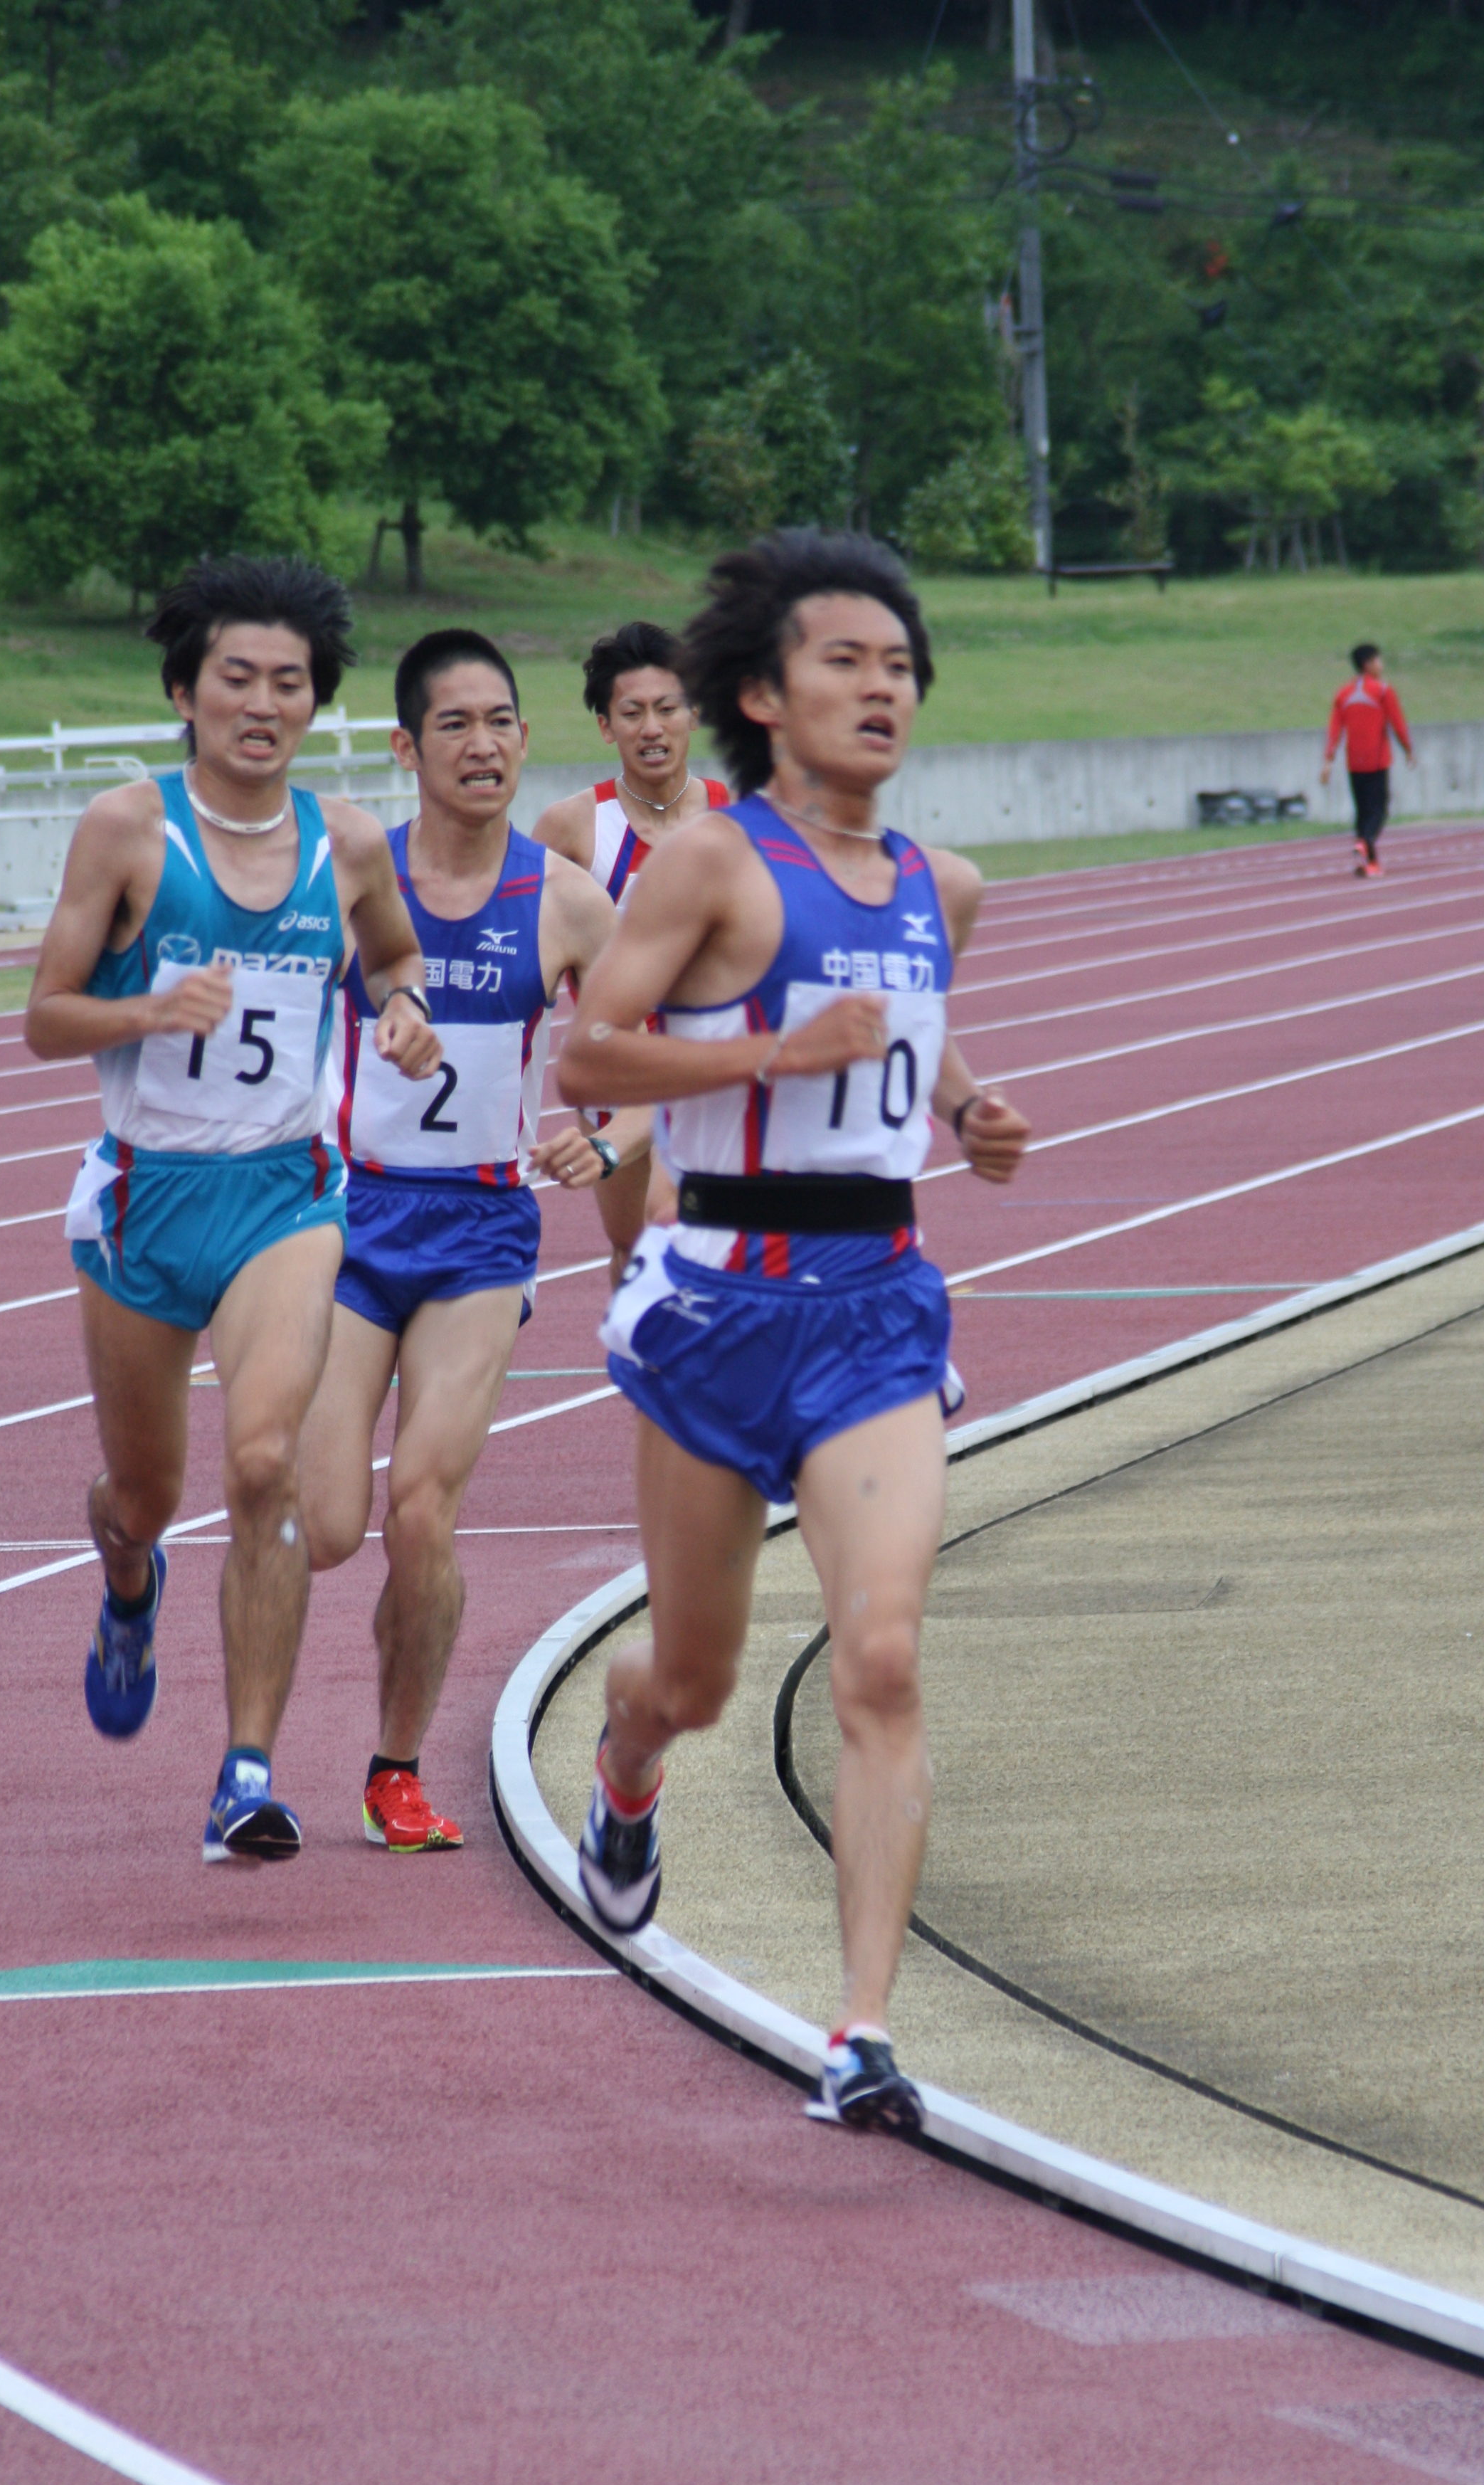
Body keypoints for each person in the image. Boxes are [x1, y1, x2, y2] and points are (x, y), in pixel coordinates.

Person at [557, 530, 1031, 2137]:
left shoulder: (938, 886)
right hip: (715, 1300)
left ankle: (862, 2033)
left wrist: (965, 1106)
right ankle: (624, 1776)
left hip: (877, 1305)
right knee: (690, 1679)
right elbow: (591, 1061)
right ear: (760, 694)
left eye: (900, 665)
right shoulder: (711, 862)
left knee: (881, 1657)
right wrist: (768, 1055)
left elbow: (903, 1026)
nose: (881, 686)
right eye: (846, 661)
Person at [26, 555, 441, 1864]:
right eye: (237, 679)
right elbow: (45, 1018)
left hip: (285, 1193)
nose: (264, 704)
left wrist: (404, 1004)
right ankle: (127, 1583)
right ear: (184, 692)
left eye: (291, 684)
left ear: (317, 703)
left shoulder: (350, 839)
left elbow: (387, 949)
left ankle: (246, 1773)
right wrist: (147, 1006)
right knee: (143, 1495)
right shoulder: (127, 830)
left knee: (263, 1461)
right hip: (146, 1202)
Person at [299, 629, 647, 1852]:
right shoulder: (348, 878)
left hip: (484, 1232)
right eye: (456, 723)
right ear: (407, 745)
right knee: (331, 1524)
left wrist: (605, 1142)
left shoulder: (562, 899)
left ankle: (395, 1767)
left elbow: (648, 1065)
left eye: (501, 720)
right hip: (347, 1220)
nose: (485, 743)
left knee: (424, 1513)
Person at [533, 621, 730, 1284]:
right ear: (605, 726)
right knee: (633, 1244)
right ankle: (644, 1380)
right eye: (632, 712)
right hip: (620, 1072)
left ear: (694, 713)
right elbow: (529, 952)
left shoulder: (741, 819)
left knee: (691, 1233)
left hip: (715, 1067)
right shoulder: (572, 827)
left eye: (667, 708)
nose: (652, 727)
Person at [1320, 643, 1415, 878]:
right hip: (1377, 761)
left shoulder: (1343, 694)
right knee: (1379, 809)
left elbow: (1334, 730)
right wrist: (1408, 749)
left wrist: (1328, 761)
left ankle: (1368, 861)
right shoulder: (1383, 692)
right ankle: (1366, 842)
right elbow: (1397, 724)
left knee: (1362, 811)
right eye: (1378, 661)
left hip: (1354, 762)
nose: (1381, 666)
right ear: (1368, 664)